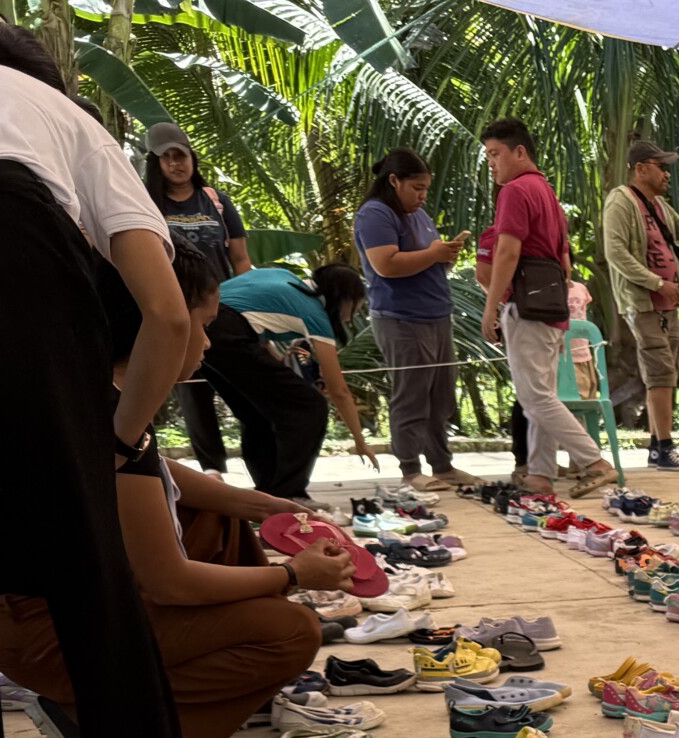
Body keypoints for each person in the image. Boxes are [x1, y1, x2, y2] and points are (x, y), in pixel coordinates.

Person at [0, 9, 194, 738]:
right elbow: (168, 315)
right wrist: (118, 440)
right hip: (15, 246)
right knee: (88, 563)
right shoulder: (50, 108)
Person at [0, 251, 338, 738]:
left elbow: (161, 473)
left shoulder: (88, 389)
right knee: (291, 630)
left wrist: (267, 506)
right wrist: (293, 574)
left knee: (216, 513)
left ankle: (177, 685)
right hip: (43, 631)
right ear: (161, 323)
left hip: (41, 608)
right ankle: (113, 732)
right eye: (202, 325)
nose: (207, 342)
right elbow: (171, 584)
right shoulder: (111, 422)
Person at [480, 116, 615, 499]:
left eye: (496, 154)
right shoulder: (547, 193)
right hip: (552, 306)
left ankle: (594, 461)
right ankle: (540, 475)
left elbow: (507, 253)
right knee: (542, 394)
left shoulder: (515, 191)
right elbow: (565, 260)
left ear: (519, 152)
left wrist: (491, 308)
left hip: (527, 305)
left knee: (534, 397)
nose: (492, 163)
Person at [204, 260, 374, 500]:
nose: (352, 316)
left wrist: (276, 362)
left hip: (203, 328)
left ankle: (268, 494)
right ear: (344, 298)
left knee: (256, 413)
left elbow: (249, 314)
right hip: (231, 335)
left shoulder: (284, 278)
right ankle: (289, 493)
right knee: (310, 407)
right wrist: (360, 440)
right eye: (356, 307)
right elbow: (339, 390)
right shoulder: (314, 313)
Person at [355, 147, 473, 487]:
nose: (422, 196)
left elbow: (427, 260)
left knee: (441, 396)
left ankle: (442, 465)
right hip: (401, 317)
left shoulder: (418, 214)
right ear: (394, 181)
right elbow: (386, 265)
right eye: (417, 188)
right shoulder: (375, 213)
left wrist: (444, 255)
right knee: (412, 395)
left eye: (426, 189)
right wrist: (434, 254)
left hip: (436, 313)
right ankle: (410, 469)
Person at [601, 138, 679, 473]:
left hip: (668, 305)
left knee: (667, 370)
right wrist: (657, 284)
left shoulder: (661, 207)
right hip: (644, 302)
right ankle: (665, 449)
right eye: (661, 167)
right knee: (660, 370)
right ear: (640, 169)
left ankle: (658, 448)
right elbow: (616, 253)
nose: (667, 174)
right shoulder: (621, 201)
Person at [143, 120, 246, 474]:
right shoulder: (147, 204)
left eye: (181, 155)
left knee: (242, 389)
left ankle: (263, 467)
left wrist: (245, 305)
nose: (176, 164)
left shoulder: (216, 201)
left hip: (224, 309)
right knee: (193, 390)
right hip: (179, 312)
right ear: (155, 162)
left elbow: (240, 259)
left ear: (192, 157)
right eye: (167, 157)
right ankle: (212, 470)